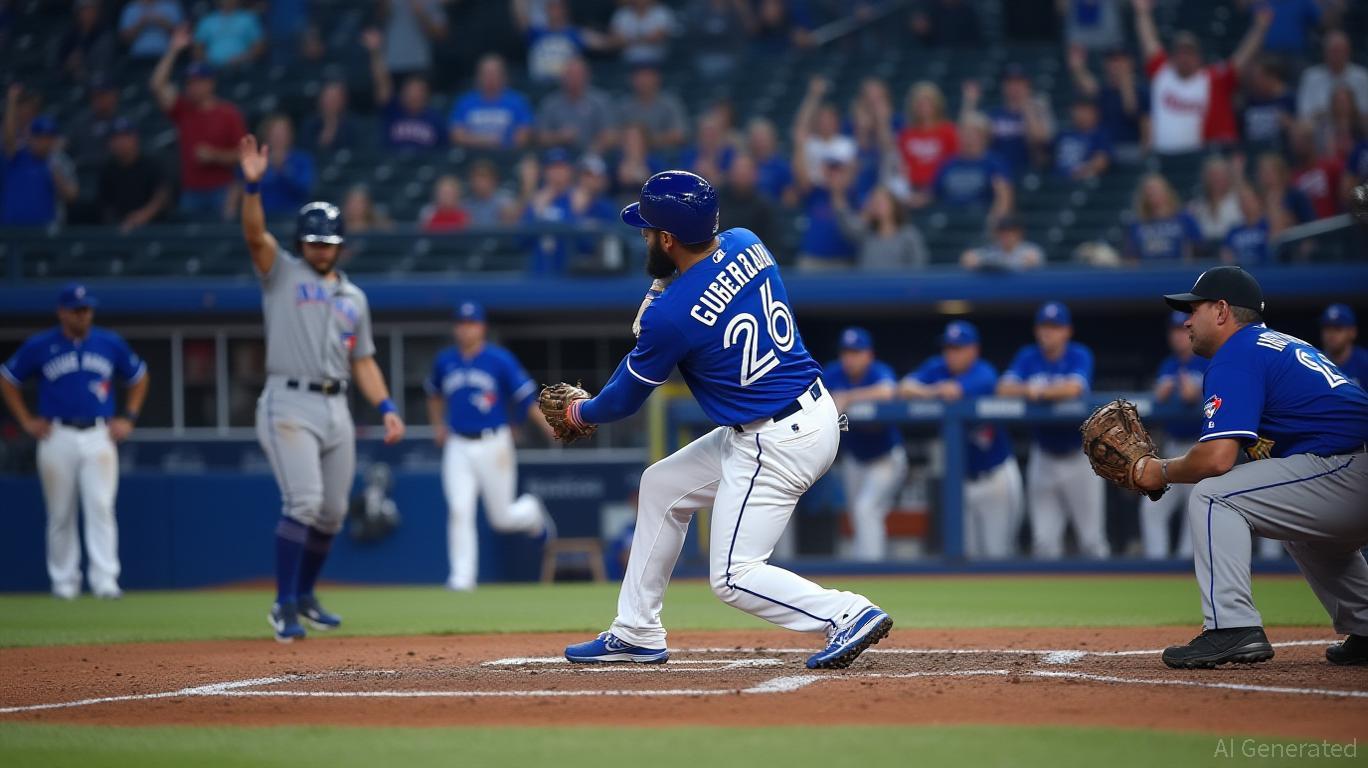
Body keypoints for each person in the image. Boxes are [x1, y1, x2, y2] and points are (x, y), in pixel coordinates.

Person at [557, 170, 893, 669]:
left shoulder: (669, 318)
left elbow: (620, 403)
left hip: (774, 438)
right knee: (662, 486)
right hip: (811, 410)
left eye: (649, 232)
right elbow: (705, 279)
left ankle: (846, 613)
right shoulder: (746, 241)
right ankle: (636, 631)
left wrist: (578, 411)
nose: (644, 237)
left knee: (733, 575)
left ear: (668, 239)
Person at [1136, 267, 1368, 668]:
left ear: (1222, 310)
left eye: (1194, 309)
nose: (1187, 319)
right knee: (1301, 527)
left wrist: (1161, 471)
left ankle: (1231, 627)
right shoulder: (1275, 345)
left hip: (1349, 466)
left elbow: (1216, 459)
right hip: (1348, 469)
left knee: (1213, 497)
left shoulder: (1237, 353)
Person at [237, 134, 406, 642]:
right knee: (305, 503)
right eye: (313, 241)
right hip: (288, 400)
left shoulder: (354, 296)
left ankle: (305, 594)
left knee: (332, 512)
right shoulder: (282, 273)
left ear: (340, 245)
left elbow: (365, 360)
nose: (321, 249)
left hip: (337, 407)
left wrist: (387, 405)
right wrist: (251, 185)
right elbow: (254, 236)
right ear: (301, 243)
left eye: (328, 243)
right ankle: (284, 604)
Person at [1, 284, 147, 600]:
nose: (84, 315)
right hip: (57, 433)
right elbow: (8, 378)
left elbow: (139, 376)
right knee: (60, 512)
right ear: (62, 312)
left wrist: (129, 416)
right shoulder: (41, 345)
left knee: (101, 506)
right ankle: (64, 583)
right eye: (77, 310)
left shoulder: (109, 343)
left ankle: (106, 581)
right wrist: (26, 420)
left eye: (87, 309)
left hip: (99, 434)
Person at [425, 301, 555, 591]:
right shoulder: (445, 361)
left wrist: (546, 425)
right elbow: (433, 394)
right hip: (458, 444)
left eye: (471, 323)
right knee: (459, 509)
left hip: (494, 441)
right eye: (461, 323)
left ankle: (531, 511)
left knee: (502, 518)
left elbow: (524, 396)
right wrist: (438, 425)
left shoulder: (499, 359)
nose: (465, 328)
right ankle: (462, 577)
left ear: (481, 327)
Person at [902, 320, 1022, 559]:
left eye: (958, 348)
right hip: (961, 480)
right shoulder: (937, 368)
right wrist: (934, 391)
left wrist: (934, 391)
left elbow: (954, 392)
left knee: (998, 554)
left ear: (973, 350)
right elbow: (904, 387)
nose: (951, 354)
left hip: (995, 476)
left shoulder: (984, 372)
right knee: (965, 556)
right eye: (948, 347)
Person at [997, 301, 1108, 559]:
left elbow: (1075, 388)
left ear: (1067, 331)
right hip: (1044, 455)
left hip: (1081, 457)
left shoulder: (1079, 354)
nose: (1048, 332)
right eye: (1044, 327)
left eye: (1055, 327)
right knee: (1044, 543)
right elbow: (1003, 389)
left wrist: (1040, 391)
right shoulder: (1028, 356)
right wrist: (1031, 391)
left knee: (1092, 541)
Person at [1132, 0, 1272, 154]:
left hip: (1203, 157)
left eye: (1189, 53)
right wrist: (1142, 13)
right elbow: (1149, 43)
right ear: (1173, 56)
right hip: (1166, 158)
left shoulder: (1213, 79)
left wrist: (1260, 28)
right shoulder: (1163, 73)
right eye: (1180, 52)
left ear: (1199, 57)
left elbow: (1242, 58)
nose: (1185, 58)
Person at [822, 328, 905, 562]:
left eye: (856, 352)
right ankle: (871, 565)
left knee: (866, 508)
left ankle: (871, 569)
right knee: (861, 516)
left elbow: (889, 392)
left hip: (885, 458)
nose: (850, 358)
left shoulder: (878, 371)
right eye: (846, 352)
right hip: (855, 459)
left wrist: (849, 397)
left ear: (868, 355)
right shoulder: (834, 373)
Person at [150, 27, 245, 219]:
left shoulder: (228, 113)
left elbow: (244, 155)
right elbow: (157, 85)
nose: (193, 87)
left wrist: (215, 156)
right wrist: (173, 50)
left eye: (198, 82)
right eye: (190, 83)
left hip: (221, 190)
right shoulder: (184, 110)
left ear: (210, 83)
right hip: (191, 191)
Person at [1140, 310, 1207, 560]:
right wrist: (1162, 396)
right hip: (1171, 448)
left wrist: (1198, 396)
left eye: (1183, 329)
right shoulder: (1167, 365)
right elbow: (1156, 402)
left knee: (1194, 516)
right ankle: (1156, 568)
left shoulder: (1207, 361)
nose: (1179, 336)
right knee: (1152, 508)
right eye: (1174, 331)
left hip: (1200, 448)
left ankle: (1187, 571)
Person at [917, 113, 1013, 221]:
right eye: (963, 133)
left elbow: (1004, 197)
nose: (966, 138)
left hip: (979, 218)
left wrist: (995, 221)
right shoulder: (948, 164)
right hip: (949, 218)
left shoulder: (994, 163)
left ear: (983, 136)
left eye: (972, 134)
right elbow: (930, 194)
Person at [966, 67, 1055, 178]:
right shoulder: (994, 114)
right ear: (1003, 86)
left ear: (1027, 85)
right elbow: (968, 139)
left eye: (1019, 83)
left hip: (1028, 171)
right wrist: (970, 102)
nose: (1014, 87)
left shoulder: (1038, 111)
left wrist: (1027, 107)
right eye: (1010, 83)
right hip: (997, 174)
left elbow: (1040, 139)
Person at [364, 28, 443, 150]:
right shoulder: (393, 111)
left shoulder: (434, 119)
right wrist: (376, 53)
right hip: (393, 165)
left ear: (426, 95)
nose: (413, 95)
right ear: (403, 93)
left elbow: (443, 152)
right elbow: (382, 84)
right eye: (410, 90)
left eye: (418, 90)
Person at [2, 106, 79, 227]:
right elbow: (8, 138)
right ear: (30, 137)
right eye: (40, 137)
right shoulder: (17, 155)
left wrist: (53, 168)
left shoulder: (60, 160)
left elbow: (71, 196)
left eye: (48, 138)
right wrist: (12, 100)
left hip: (46, 231)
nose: (44, 142)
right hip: (12, 229)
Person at [1067, 45, 1148, 159]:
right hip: (1104, 149)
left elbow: (1133, 111)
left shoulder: (1141, 91)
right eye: (1112, 61)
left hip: (1130, 147)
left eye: (1120, 60)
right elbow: (1090, 88)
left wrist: (1125, 80)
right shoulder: (1105, 92)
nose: (1116, 65)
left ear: (1130, 63)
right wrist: (1078, 68)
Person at [97, 118, 171, 231]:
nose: (121, 142)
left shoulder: (151, 164)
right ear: (109, 143)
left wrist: (144, 215)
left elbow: (162, 195)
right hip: (119, 229)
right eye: (116, 138)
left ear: (135, 138)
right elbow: (104, 205)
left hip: (153, 228)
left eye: (125, 137)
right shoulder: (107, 169)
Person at [448, 55, 534, 151]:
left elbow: (522, 138)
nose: (490, 77)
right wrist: (487, 141)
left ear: (504, 76)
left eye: (494, 73)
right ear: (478, 76)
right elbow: (456, 136)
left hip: (506, 155)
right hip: (472, 156)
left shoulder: (518, 102)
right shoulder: (465, 102)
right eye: (486, 73)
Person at [237, 114, 314, 218]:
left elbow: (305, 190)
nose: (279, 137)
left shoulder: (302, 160)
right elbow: (247, 190)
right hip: (261, 215)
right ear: (266, 135)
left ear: (290, 135)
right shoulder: (256, 160)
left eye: (283, 133)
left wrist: (285, 170)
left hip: (293, 215)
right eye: (275, 133)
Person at [535, 57, 617, 153]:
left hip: (595, 153)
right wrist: (559, 137)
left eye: (578, 74)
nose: (574, 78)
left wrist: (594, 149)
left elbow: (612, 135)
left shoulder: (601, 100)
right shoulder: (550, 103)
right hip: (560, 155)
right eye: (569, 74)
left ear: (587, 76)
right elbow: (540, 138)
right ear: (562, 78)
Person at [837, 186, 929, 271]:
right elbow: (849, 229)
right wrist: (866, 215)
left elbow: (918, 263)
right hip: (869, 285)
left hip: (898, 286)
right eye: (874, 202)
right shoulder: (865, 233)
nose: (877, 206)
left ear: (893, 205)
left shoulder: (908, 234)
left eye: (881, 202)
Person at [1297, 31, 1368, 127]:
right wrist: (1332, 113)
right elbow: (1304, 113)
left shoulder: (1362, 76)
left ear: (1348, 52)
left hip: (1355, 128)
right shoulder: (1311, 76)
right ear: (1324, 52)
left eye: (1340, 51)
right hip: (1320, 128)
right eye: (1333, 51)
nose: (1336, 55)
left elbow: (1364, 109)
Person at [897, 81, 958, 192]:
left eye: (927, 101)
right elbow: (902, 163)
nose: (923, 106)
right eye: (919, 102)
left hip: (941, 189)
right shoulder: (906, 134)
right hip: (911, 188)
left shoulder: (948, 131)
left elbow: (953, 163)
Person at [1126, 174, 1202, 262]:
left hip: (1178, 271)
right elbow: (1131, 257)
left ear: (1166, 191)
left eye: (1156, 190)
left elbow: (1197, 248)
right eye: (1149, 191)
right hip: (1147, 272)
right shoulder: (1137, 224)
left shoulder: (1185, 220)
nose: (1152, 193)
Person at [616, 65, 687, 149]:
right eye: (639, 77)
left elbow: (679, 135)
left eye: (647, 76)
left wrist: (647, 140)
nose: (643, 81)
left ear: (657, 78)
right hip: (631, 152)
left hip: (665, 156)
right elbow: (614, 136)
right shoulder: (623, 106)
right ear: (632, 80)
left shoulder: (670, 103)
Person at [717, 153, 777, 246]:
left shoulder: (765, 206)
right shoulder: (717, 201)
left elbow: (772, 243)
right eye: (738, 170)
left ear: (755, 175)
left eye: (745, 170)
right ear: (730, 173)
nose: (741, 174)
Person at [1287, 119, 1342, 220]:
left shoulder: (1331, 167)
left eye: (1302, 139)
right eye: (1295, 140)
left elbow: (1343, 197)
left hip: (1334, 227)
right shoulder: (1293, 178)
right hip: (1309, 231)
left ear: (1312, 140)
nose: (1298, 145)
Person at [378, 0, 446, 77]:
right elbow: (377, 21)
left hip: (419, 63)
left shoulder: (429, 2)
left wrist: (421, 13)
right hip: (390, 64)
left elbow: (440, 35)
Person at [1241, 57, 1295, 150]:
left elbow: (1301, 130)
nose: (1253, 82)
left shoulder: (1291, 100)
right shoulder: (1251, 101)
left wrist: (1289, 124)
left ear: (1272, 77)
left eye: (1257, 77)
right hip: (1253, 152)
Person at [1187, 156, 1242, 245]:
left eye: (1220, 175)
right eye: (1212, 175)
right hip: (1206, 253)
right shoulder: (1196, 205)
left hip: (1234, 250)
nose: (1216, 180)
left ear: (1227, 177)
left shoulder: (1238, 200)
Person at [193, 0, 263, 68]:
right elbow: (197, 47)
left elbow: (259, 46)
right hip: (212, 69)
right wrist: (207, 62)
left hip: (242, 67)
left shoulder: (248, 19)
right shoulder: (207, 20)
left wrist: (245, 58)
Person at [1053, 98, 1112, 181]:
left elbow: (1101, 161)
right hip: (1057, 181)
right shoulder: (1064, 134)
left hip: (1081, 182)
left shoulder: (1100, 135)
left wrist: (1080, 172)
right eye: (1078, 110)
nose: (1080, 114)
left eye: (1085, 111)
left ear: (1094, 113)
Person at [58, 0, 116, 82]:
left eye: (91, 10)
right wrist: (68, 66)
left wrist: (83, 67)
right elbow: (58, 65)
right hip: (68, 81)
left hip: (94, 82)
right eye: (84, 10)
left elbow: (102, 69)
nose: (88, 14)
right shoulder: (70, 35)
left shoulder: (104, 35)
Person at [960, 215, 1044, 271]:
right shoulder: (992, 250)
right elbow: (968, 257)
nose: (1006, 236)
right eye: (1002, 232)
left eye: (1010, 232)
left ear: (1018, 233)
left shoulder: (1030, 250)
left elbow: (1035, 264)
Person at [299, 81, 361, 155]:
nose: (330, 102)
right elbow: (305, 150)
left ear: (343, 101)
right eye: (327, 98)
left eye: (334, 99)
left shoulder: (352, 125)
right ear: (320, 100)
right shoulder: (310, 124)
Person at [609, 0, 676, 66]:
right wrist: (644, 38)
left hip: (657, 61)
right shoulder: (622, 14)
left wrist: (629, 39)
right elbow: (616, 40)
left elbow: (657, 38)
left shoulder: (661, 12)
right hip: (628, 61)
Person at [1222, 186, 1273, 265]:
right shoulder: (1233, 231)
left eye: (1250, 200)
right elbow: (1226, 254)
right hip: (1240, 273)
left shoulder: (1269, 227)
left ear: (1259, 202)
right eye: (1243, 201)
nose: (1246, 205)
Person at [1320, 303, 1368, 386]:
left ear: (1353, 332)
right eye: (1327, 328)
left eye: (1338, 328)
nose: (1331, 334)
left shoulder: (1365, 363)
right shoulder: (1315, 361)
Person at [118, 0, 183, 60]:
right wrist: (141, 24)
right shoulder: (131, 9)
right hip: (138, 58)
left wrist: (164, 24)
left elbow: (183, 36)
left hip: (167, 58)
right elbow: (125, 40)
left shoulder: (171, 7)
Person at [464, 160, 517, 227]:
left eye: (483, 177)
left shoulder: (505, 201)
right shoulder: (465, 205)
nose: (479, 182)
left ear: (493, 180)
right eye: (475, 178)